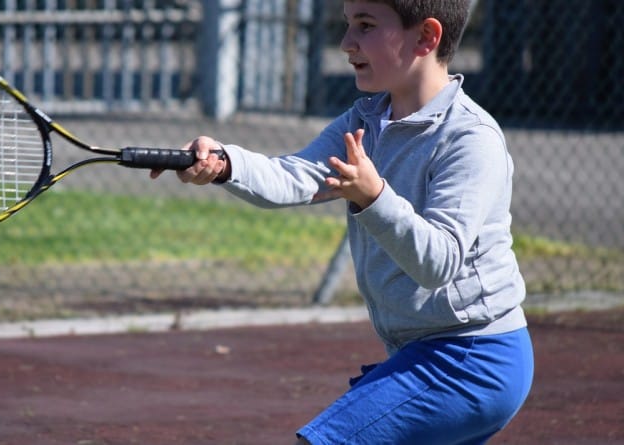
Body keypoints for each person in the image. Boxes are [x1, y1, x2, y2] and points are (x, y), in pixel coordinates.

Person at [151, 0, 534, 443]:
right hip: (422, 352)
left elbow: (439, 263)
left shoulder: (470, 139)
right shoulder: (365, 120)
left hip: (473, 358)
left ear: (426, 37)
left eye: (366, 25)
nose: (346, 42)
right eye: (347, 23)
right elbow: (291, 176)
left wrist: (374, 197)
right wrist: (225, 163)